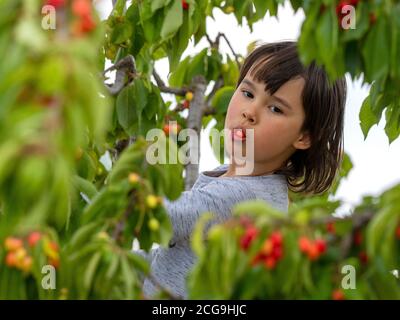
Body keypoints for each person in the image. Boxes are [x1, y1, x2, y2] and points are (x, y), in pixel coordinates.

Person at [135, 41, 347, 299]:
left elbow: (171, 217)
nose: (250, 112)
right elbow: (172, 253)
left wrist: (125, 194)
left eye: (275, 108)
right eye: (248, 93)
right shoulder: (233, 177)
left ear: (304, 136)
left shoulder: (246, 196)